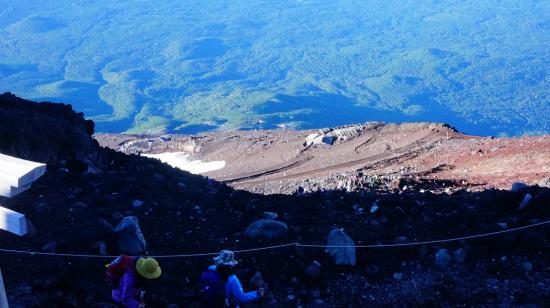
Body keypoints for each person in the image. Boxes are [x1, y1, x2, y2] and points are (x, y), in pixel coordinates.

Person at [200, 250, 265, 307]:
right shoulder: (231, 278)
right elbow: (241, 297)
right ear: (231, 265)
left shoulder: (207, 272)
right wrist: (257, 294)